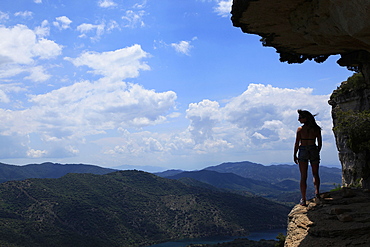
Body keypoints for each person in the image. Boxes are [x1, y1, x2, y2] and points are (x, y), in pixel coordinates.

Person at [293, 109, 322, 206]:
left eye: (300, 118)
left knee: (303, 176)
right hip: (313, 148)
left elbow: (297, 143)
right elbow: (320, 143)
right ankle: (317, 194)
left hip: (303, 150)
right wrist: (316, 151)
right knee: (315, 174)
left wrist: (295, 154)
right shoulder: (316, 129)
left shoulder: (300, 130)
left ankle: (303, 199)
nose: (298, 120)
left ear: (305, 118)